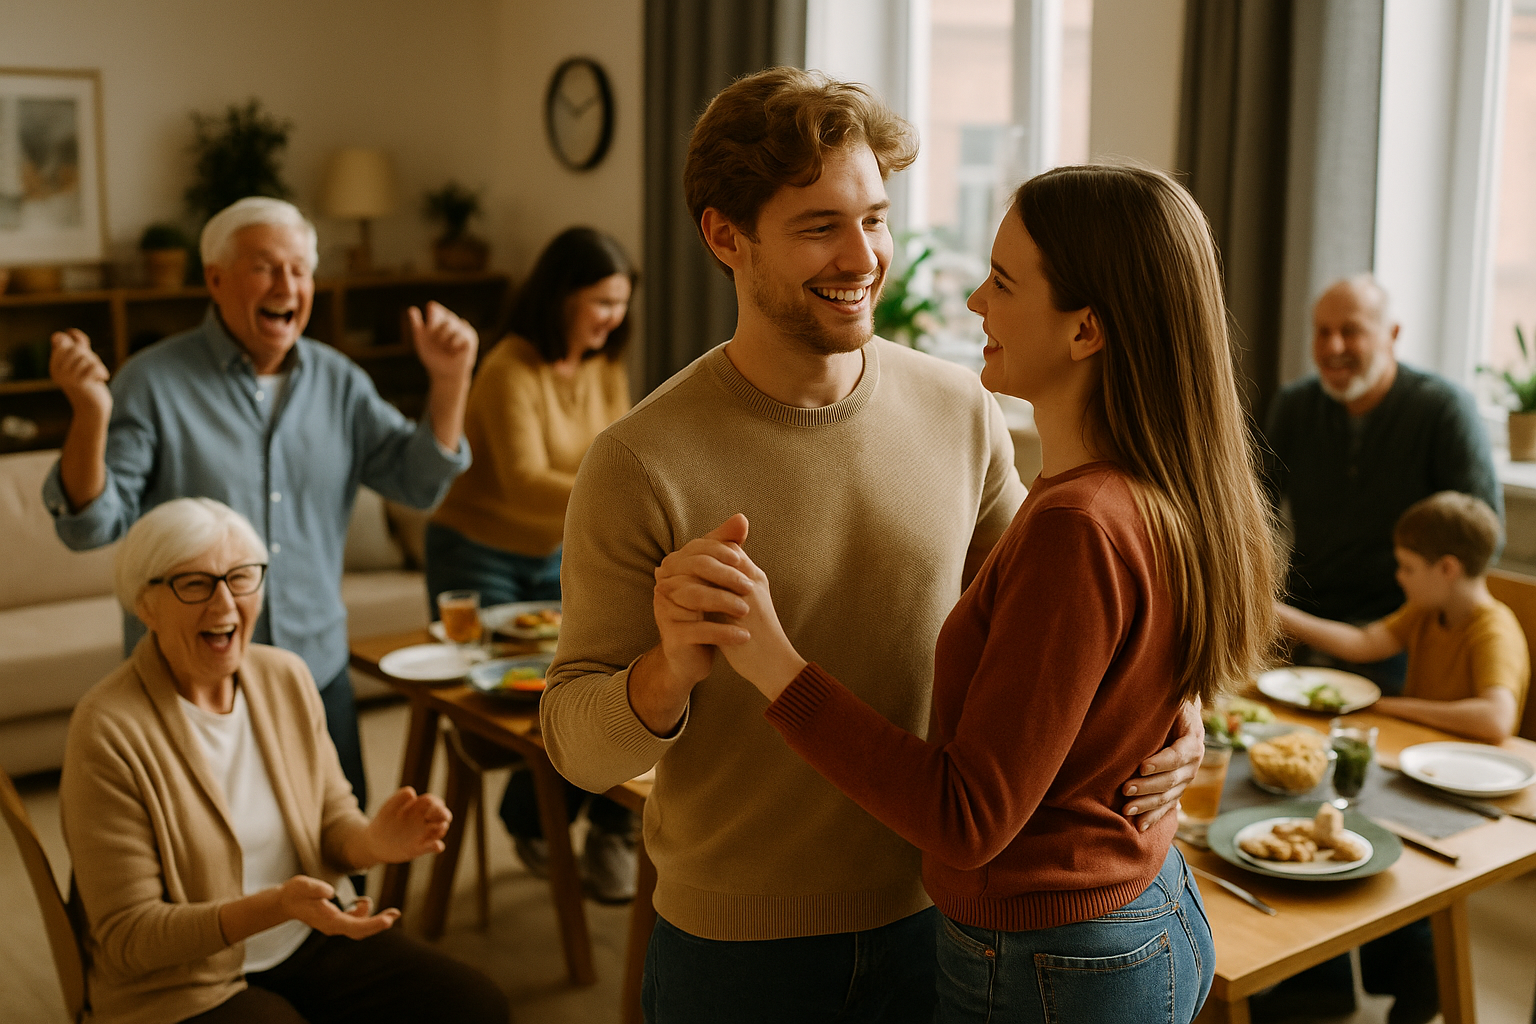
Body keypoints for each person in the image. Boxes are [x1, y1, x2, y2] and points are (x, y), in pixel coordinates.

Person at [540, 67, 1206, 1024]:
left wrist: (1172, 711)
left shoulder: (961, 406)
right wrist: (667, 673)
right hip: (737, 955)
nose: (864, 257)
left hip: (944, 928)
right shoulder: (639, 461)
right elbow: (574, 749)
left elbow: (1070, 611)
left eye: (877, 218)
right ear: (726, 236)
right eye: (820, 226)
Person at [667, 163, 1273, 1023]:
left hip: (1053, 963)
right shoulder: (1150, 487)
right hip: (1139, 905)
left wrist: (774, 664)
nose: (974, 304)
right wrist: (1170, 712)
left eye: (1003, 282)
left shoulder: (1079, 525)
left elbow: (967, 818)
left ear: (1086, 329)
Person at [43, 196, 477, 814]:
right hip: (188, 678)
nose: (287, 285)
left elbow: (417, 481)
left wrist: (450, 382)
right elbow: (91, 525)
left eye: (299, 270)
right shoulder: (152, 382)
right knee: (207, 862)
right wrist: (90, 412)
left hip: (313, 671)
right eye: (266, 267)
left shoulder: (340, 382)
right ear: (215, 279)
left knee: (337, 846)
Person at [59, 498, 508, 1024]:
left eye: (241, 578)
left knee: (476, 1005)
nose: (225, 603)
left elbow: (330, 817)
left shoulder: (285, 678)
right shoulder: (107, 729)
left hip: (307, 939)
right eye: (194, 583)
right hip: (181, 981)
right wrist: (274, 905)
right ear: (146, 605)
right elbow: (129, 938)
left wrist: (371, 843)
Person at [426, 226, 638, 901]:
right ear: (560, 298)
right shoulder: (506, 369)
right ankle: (534, 820)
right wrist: (628, 494)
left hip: (556, 550)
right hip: (476, 550)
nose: (615, 317)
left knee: (599, 679)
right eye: (602, 301)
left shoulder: (606, 367)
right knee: (515, 702)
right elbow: (522, 482)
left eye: (622, 302)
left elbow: (623, 454)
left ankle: (611, 827)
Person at [1264, 275, 1501, 695]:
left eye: (1350, 331)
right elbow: (1255, 511)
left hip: (1400, 631)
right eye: (1322, 332)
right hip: (1303, 616)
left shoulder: (1444, 410)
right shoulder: (1295, 406)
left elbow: (1482, 537)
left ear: (1392, 334)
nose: (1333, 347)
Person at [1277, 491, 1527, 741]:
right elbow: (1362, 643)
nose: (1399, 576)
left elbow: (1496, 720)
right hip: (1420, 743)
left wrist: (1385, 706)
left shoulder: (1494, 630)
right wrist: (1279, 614)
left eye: (1408, 567)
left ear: (1447, 568)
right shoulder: (1425, 610)